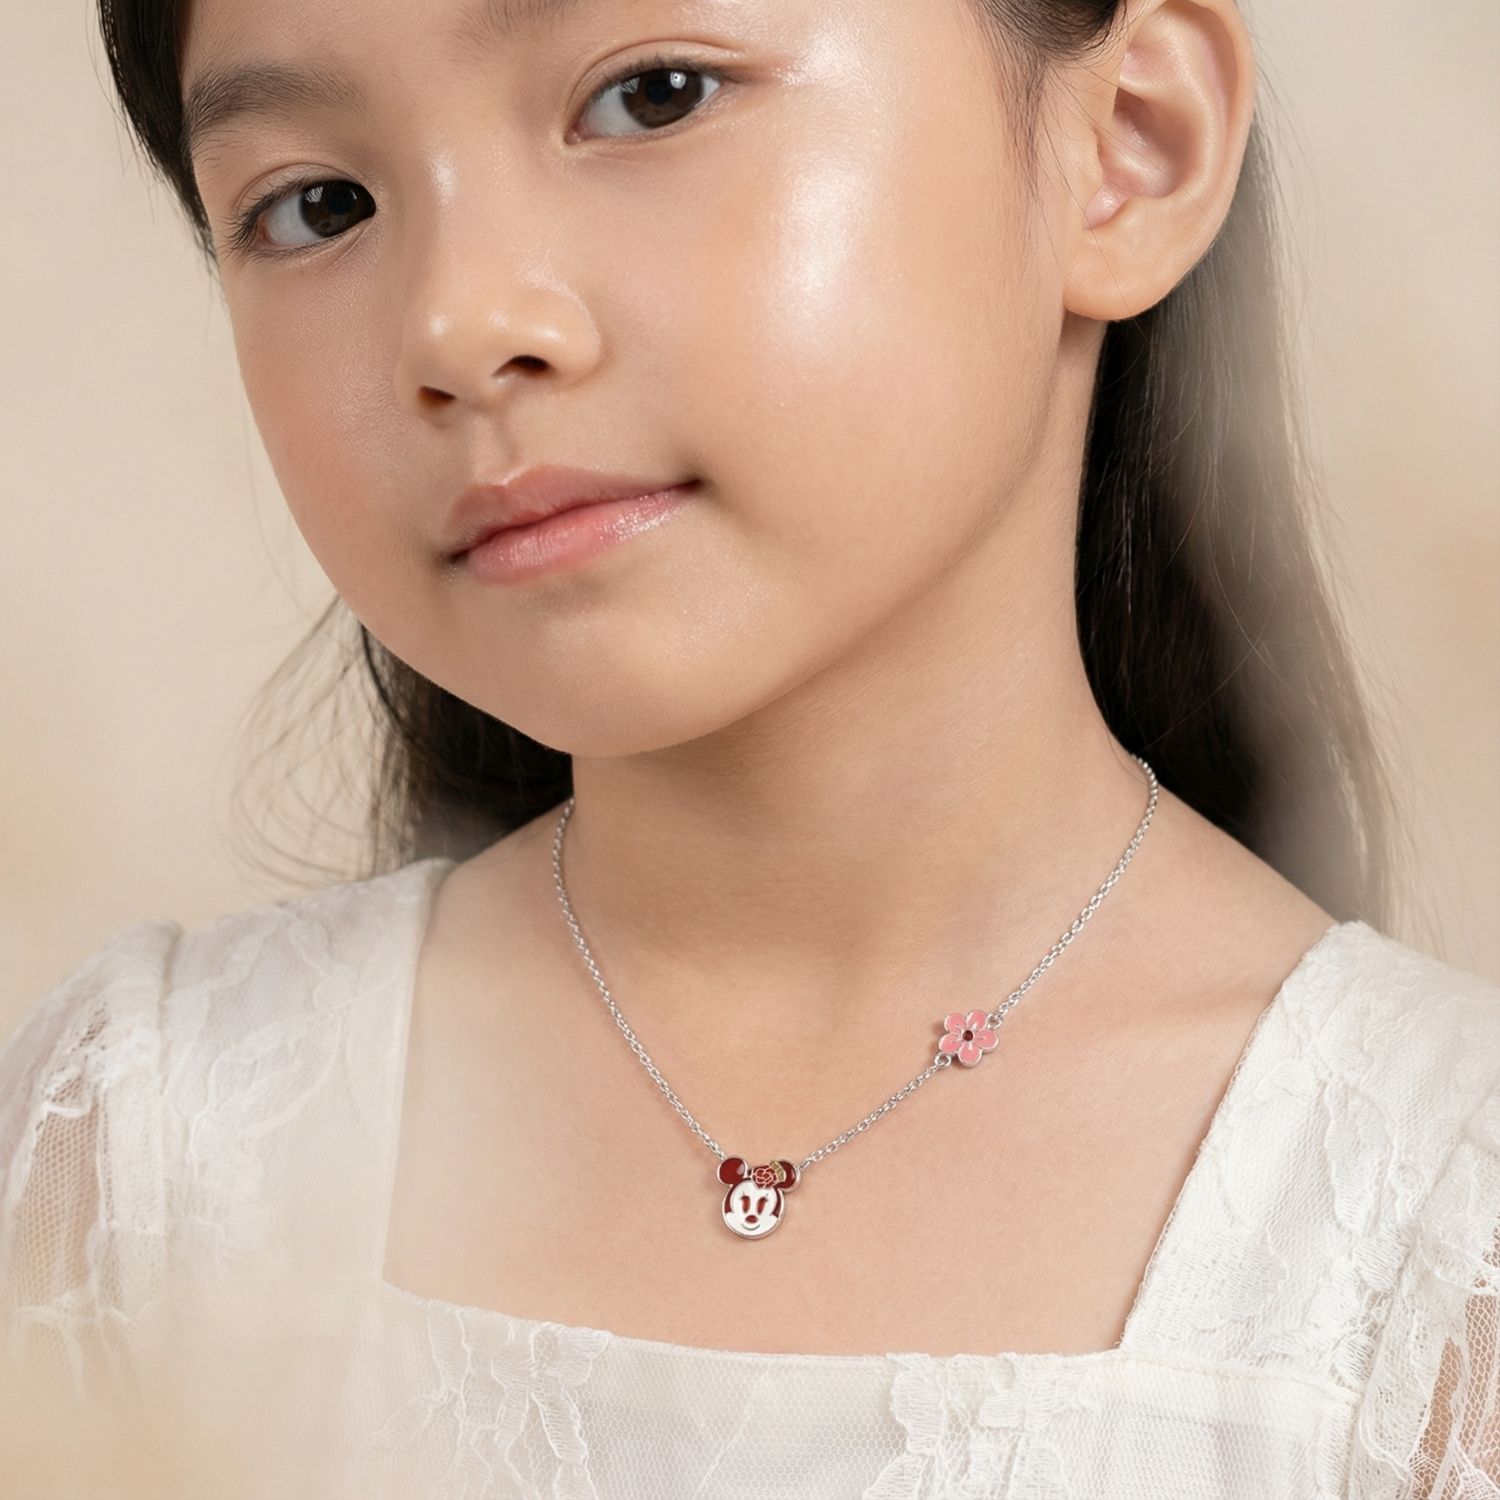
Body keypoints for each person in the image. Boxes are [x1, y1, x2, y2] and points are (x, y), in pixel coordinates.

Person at [2, 0, 1495, 1493]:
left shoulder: (1437, 1240)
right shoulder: (145, 1158)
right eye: (319, 205)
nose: (457, 324)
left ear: (1128, 147)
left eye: (654, 96)